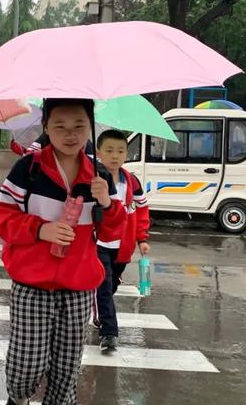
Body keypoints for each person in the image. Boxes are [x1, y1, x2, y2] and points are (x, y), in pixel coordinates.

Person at [0, 98, 125, 405]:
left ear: (90, 127)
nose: (70, 134)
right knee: (28, 365)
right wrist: (41, 229)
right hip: (32, 284)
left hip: (78, 286)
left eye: (79, 126)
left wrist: (106, 203)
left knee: (66, 371)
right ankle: (18, 398)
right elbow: (3, 217)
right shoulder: (29, 168)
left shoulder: (99, 176)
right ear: (46, 128)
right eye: (60, 126)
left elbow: (112, 231)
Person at [94, 129, 151, 352]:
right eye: (109, 150)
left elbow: (142, 209)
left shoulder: (131, 181)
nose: (115, 156)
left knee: (112, 285)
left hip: (122, 246)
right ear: (99, 152)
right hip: (98, 243)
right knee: (104, 288)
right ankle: (109, 333)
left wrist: (142, 238)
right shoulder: (94, 177)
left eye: (120, 151)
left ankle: (100, 312)